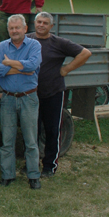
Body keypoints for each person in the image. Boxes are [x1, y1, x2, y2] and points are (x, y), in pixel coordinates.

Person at [27, 12, 91, 177]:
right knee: (31, 131)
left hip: (53, 93)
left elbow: (85, 53)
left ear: (51, 26)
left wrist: (66, 69)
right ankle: (31, 165)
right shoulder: (26, 40)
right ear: (34, 23)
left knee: (52, 130)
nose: (41, 25)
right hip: (30, 94)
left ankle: (49, 166)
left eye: (45, 23)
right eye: (39, 22)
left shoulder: (59, 43)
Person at [0, 14, 42, 190]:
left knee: (30, 139)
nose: (14, 31)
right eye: (11, 28)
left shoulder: (35, 45)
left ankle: (34, 176)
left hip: (28, 98)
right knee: (7, 140)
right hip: (8, 98)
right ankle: (7, 175)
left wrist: (9, 63)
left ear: (25, 28)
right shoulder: (2, 46)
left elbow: (32, 66)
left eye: (17, 28)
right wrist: (19, 68)